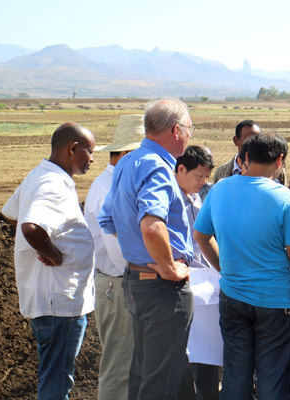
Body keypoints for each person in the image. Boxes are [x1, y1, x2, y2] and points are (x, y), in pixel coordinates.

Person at [194, 132, 290, 400]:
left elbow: (201, 235)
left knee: (235, 375)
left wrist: (225, 269)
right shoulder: (284, 197)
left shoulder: (219, 189)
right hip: (275, 302)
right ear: (280, 160)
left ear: (246, 157)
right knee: (273, 378)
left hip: (233, 296)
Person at [98, 99, 195, 399]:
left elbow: (108, 219)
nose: (190, 135)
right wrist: (169, 267)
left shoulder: (128, 162)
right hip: (162, 287)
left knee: (143, 376)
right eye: (189, 129)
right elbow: (152, 226)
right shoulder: (157, 167)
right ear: (176, 130)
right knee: (159, 384)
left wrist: (140, 249)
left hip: (137, 282)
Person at [2, 122, 96, 400]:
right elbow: (30, 227)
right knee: (56, 382)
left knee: (55, 376)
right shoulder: (53, 184)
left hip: (52, 301)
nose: (92, 159)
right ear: (73, 148)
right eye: (89, 151)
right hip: (59, 303)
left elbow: (10, 213)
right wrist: (53, 254)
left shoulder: (40, 174)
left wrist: (49, 241)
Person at [84, 114, 144, 400]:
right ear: (127, 154)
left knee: (129, 366)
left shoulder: (112, 184)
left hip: (120, 285)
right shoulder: (110, 189)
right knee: (120, 369)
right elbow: (120, 254)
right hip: (120, 285)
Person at [174, 145, 222, 400]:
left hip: (206, 285)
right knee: (185, 355)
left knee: (207, 354)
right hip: (182, 285)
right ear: (181, 169)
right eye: (199, 176)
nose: (203, 182)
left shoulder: (195, 197)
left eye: (206, 177)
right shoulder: (169, 201)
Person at [213, 119, 287, 185]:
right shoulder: (221, 172)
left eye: (257, 141)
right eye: (248, 141)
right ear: (236, 141)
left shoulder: (277, 171)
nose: (253, 145)